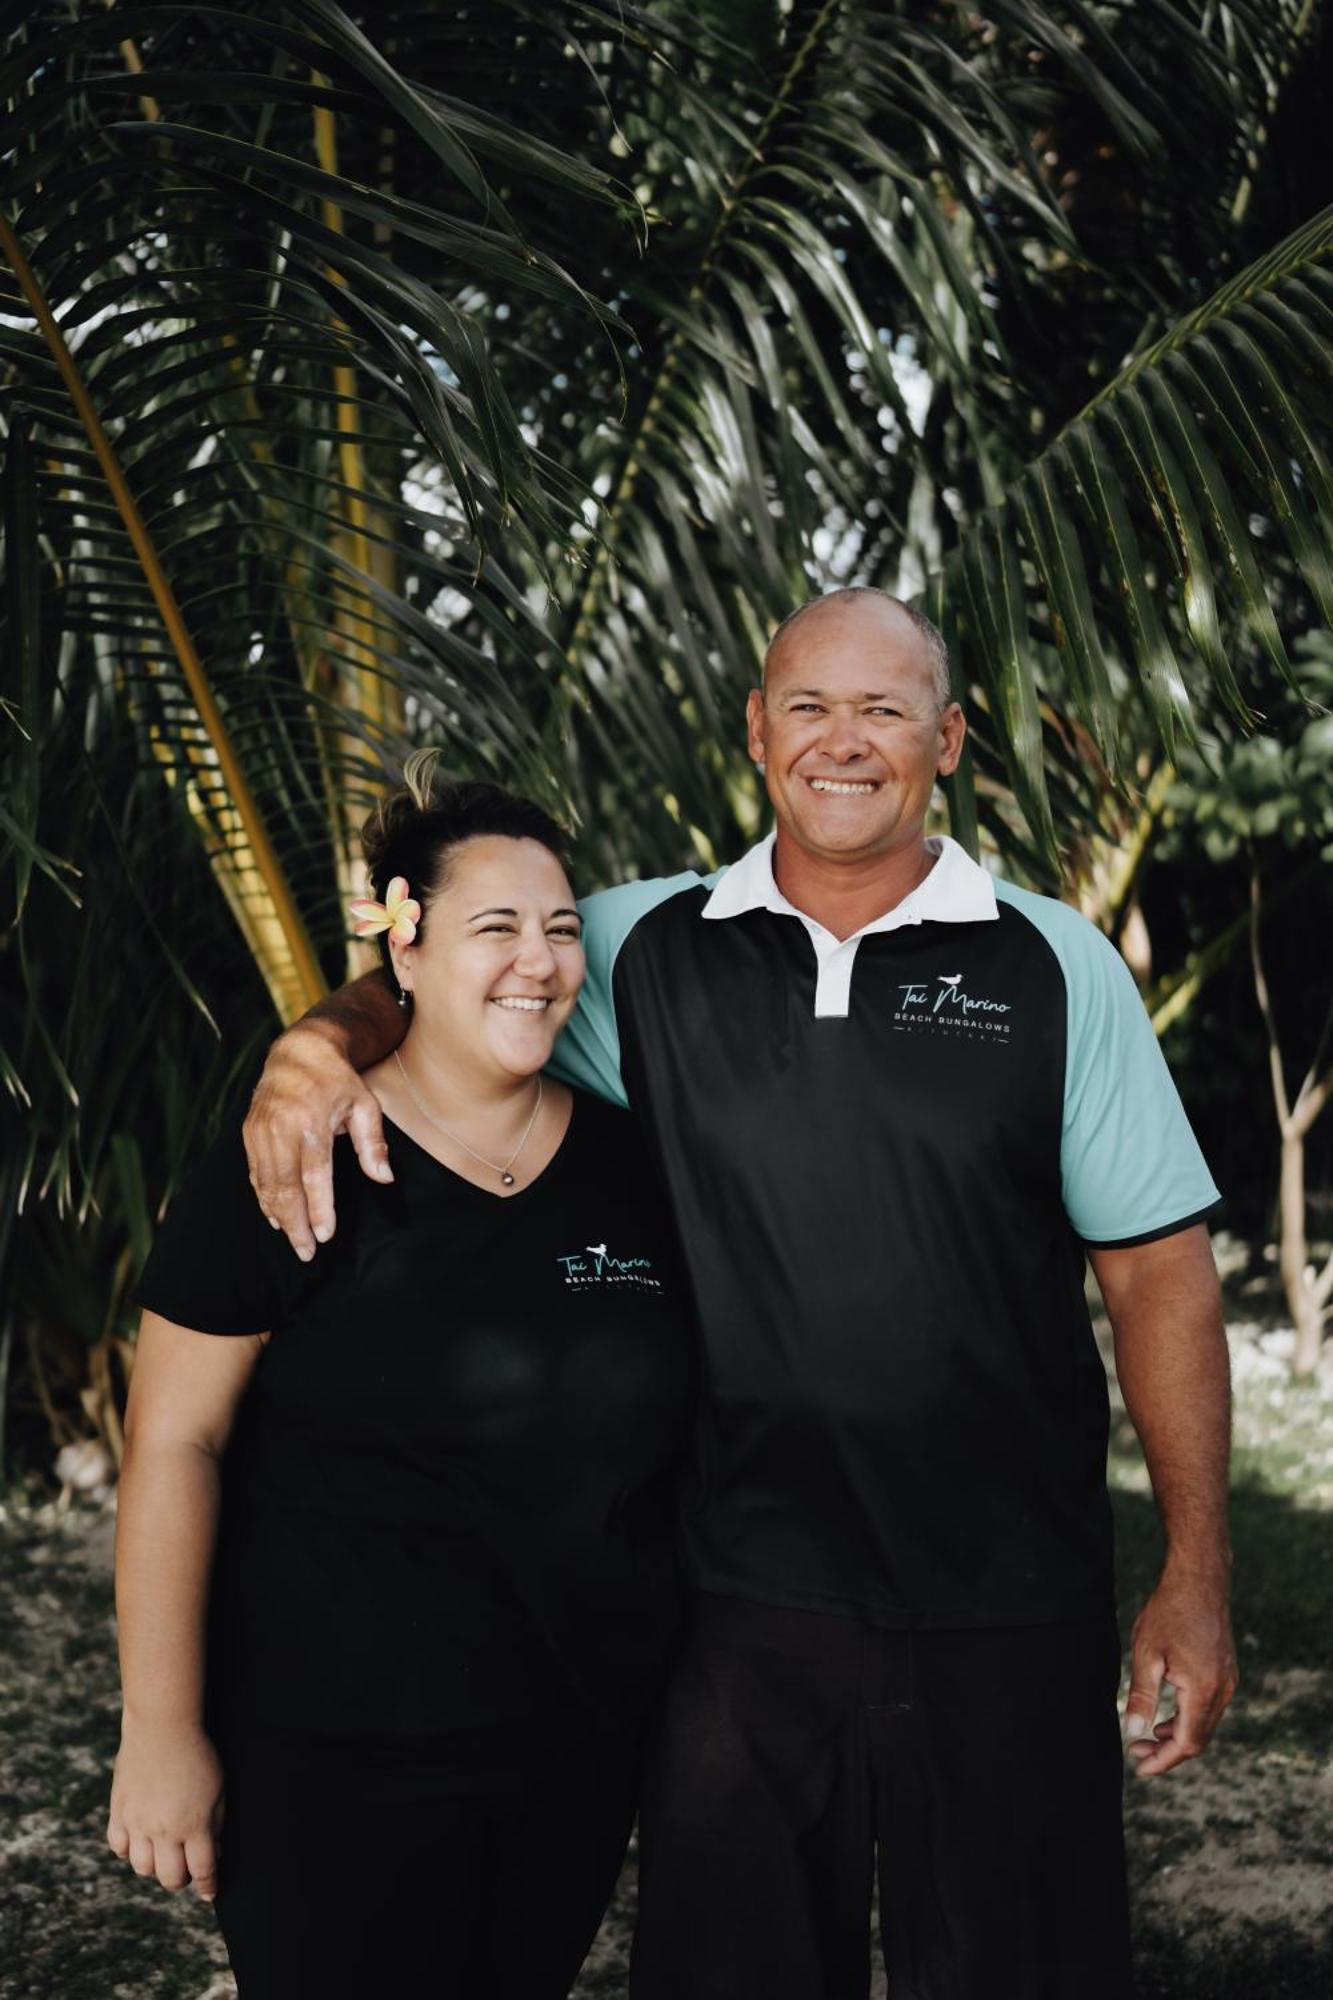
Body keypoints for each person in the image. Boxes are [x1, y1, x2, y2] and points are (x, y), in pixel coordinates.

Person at [243, 590, 1237, 2000]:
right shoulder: (638, 946)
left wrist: (1194, 1574)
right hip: (731, 1599)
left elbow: (1159, 1275)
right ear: (758, 730)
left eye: (885, 709)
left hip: (1010, 1593)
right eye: (810, 708)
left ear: (947, 740)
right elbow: (449, 980)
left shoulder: (1053, 963)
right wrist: (314, 1047)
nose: (846, 741)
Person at [106, 771, 697, 1998]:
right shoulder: (290, 1160)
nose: (537, 961)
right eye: (495, 927)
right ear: (402, 949)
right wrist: (157, 1728)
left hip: (570, 1754)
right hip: (330, 1755)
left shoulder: (639, 1169)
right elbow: (173, 1442)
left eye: (560, 928)